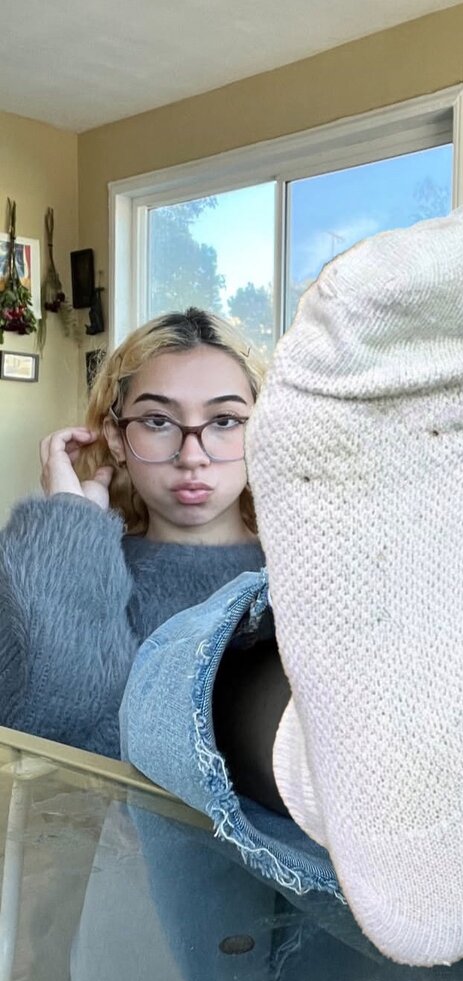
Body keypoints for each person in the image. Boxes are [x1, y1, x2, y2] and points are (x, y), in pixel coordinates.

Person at [0, 308, 268, 758]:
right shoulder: (46, 570)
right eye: (158, 421)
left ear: (263, 430)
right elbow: (47, 750)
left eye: (224, 420)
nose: (192, 456)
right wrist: (70, 536)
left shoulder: (304, 577)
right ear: (117, 439)